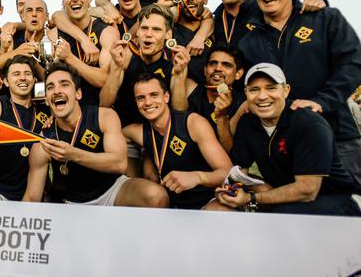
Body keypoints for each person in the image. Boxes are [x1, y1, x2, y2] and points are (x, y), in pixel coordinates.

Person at [238, 0, 361, 186]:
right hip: (284, 144)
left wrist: (322, 101)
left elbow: (352, 64)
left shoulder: (324, 19)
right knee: (295, 209)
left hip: (337, 134)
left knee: (349, 207)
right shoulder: (248, 41)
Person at [216, 63, 361, 216]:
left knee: (279, 217)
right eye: (254, 89)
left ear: (286, 90)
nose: (262, 96)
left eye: (271, 88)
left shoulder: (308, 124)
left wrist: (251, 197)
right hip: (290, 200)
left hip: (335, 199)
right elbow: (239, 166)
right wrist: (233, 189)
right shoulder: (248, 122)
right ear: (246, 93)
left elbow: (307, 190)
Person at [23, 62, 168, 207]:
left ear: (78, 93)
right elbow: (31, 197)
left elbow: (120, 163)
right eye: (50, 87)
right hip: (72, 203)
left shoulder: (104, 116)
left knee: (156, 196)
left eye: (64, 84)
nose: (56, 91)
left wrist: (73, 154)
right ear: (47, 100)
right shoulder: (44, 141)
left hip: (112, 191)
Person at [122, 73, 233, 209]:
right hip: (170, 204)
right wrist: (136, 165)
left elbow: (227, 171)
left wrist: (198, 177)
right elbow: (117, 137)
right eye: (141, 98)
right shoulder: (138, 132)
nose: (148, 102)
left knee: (219, 211)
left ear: (166, 97)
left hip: (206, 201)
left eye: (154, 95)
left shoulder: (192, 123)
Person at [0, 56, 49, 201]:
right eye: (16, 74)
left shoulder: (45, 113)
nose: (23, 78)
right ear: (6, 82)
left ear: (34, 81)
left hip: (36, 191)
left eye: (27, 74)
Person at [52, 0, 119, 105]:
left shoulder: (107, 31)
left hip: (98, 109)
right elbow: (56, 15)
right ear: (63, 1)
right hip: (65, 109)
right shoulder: (54, 32)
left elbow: (105, 79)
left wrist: (69, 58)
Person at [172, 44, 246, 151]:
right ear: (205, 70)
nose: (218, 68)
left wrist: (221, 116)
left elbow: (228, 151)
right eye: (213, 63)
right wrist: (179, 73)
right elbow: (178, 115)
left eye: (226, 65)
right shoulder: (190, 88)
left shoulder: (242, 105)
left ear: (238, 74)